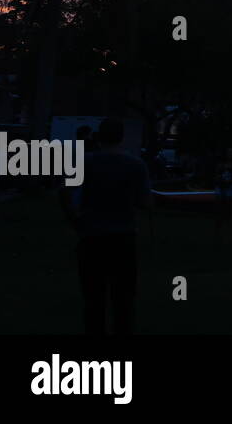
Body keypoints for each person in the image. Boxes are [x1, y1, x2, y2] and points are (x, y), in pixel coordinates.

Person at [62, 116, 150, 335]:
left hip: (92, 236)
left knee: (93, 299)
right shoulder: (136, 165)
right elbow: (145, 203)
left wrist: (75, 220)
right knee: (124, 301)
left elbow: (63, 192)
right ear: (121, 137)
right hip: (123, 237)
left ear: (99, 136)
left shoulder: (85, 162)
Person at [213, 148, 232, 243]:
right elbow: (216, 176)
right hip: (221, 187)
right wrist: (221, 180)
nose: (230, 154)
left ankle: (230, 232)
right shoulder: (220, 164)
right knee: (220, 210)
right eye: (229, 152)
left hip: (230, 188)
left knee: (230, 210)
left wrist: (231, 181)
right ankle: (218, 232)